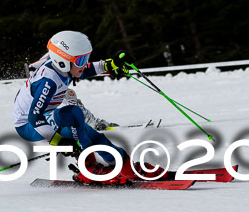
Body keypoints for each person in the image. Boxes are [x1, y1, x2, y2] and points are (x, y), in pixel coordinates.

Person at [12, 30, 154, 184]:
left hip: (44, 115)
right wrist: (58, 142)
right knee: (73, 115)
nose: (85, 64)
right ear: (63, 62)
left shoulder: (63, 67)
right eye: (81, 60)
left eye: (86, 58)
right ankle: (89, 169)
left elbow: (82, 71)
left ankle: (125, 167)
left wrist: (110, 64)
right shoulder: (49, 81)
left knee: (94, 135)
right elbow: (34, 117)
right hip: (28, 124)